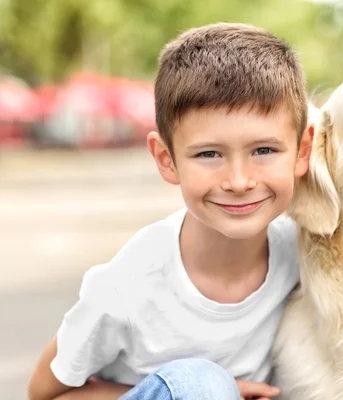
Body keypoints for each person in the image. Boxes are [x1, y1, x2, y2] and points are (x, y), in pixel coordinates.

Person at [28, 22, 312, 400]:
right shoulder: (126, 287)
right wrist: (186, 393)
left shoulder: (305, 254)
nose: (239, 181)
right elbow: (44, 394)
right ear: (167, 159)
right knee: (200, 384)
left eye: (264, 150)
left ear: (303, 151)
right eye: (209, 154)